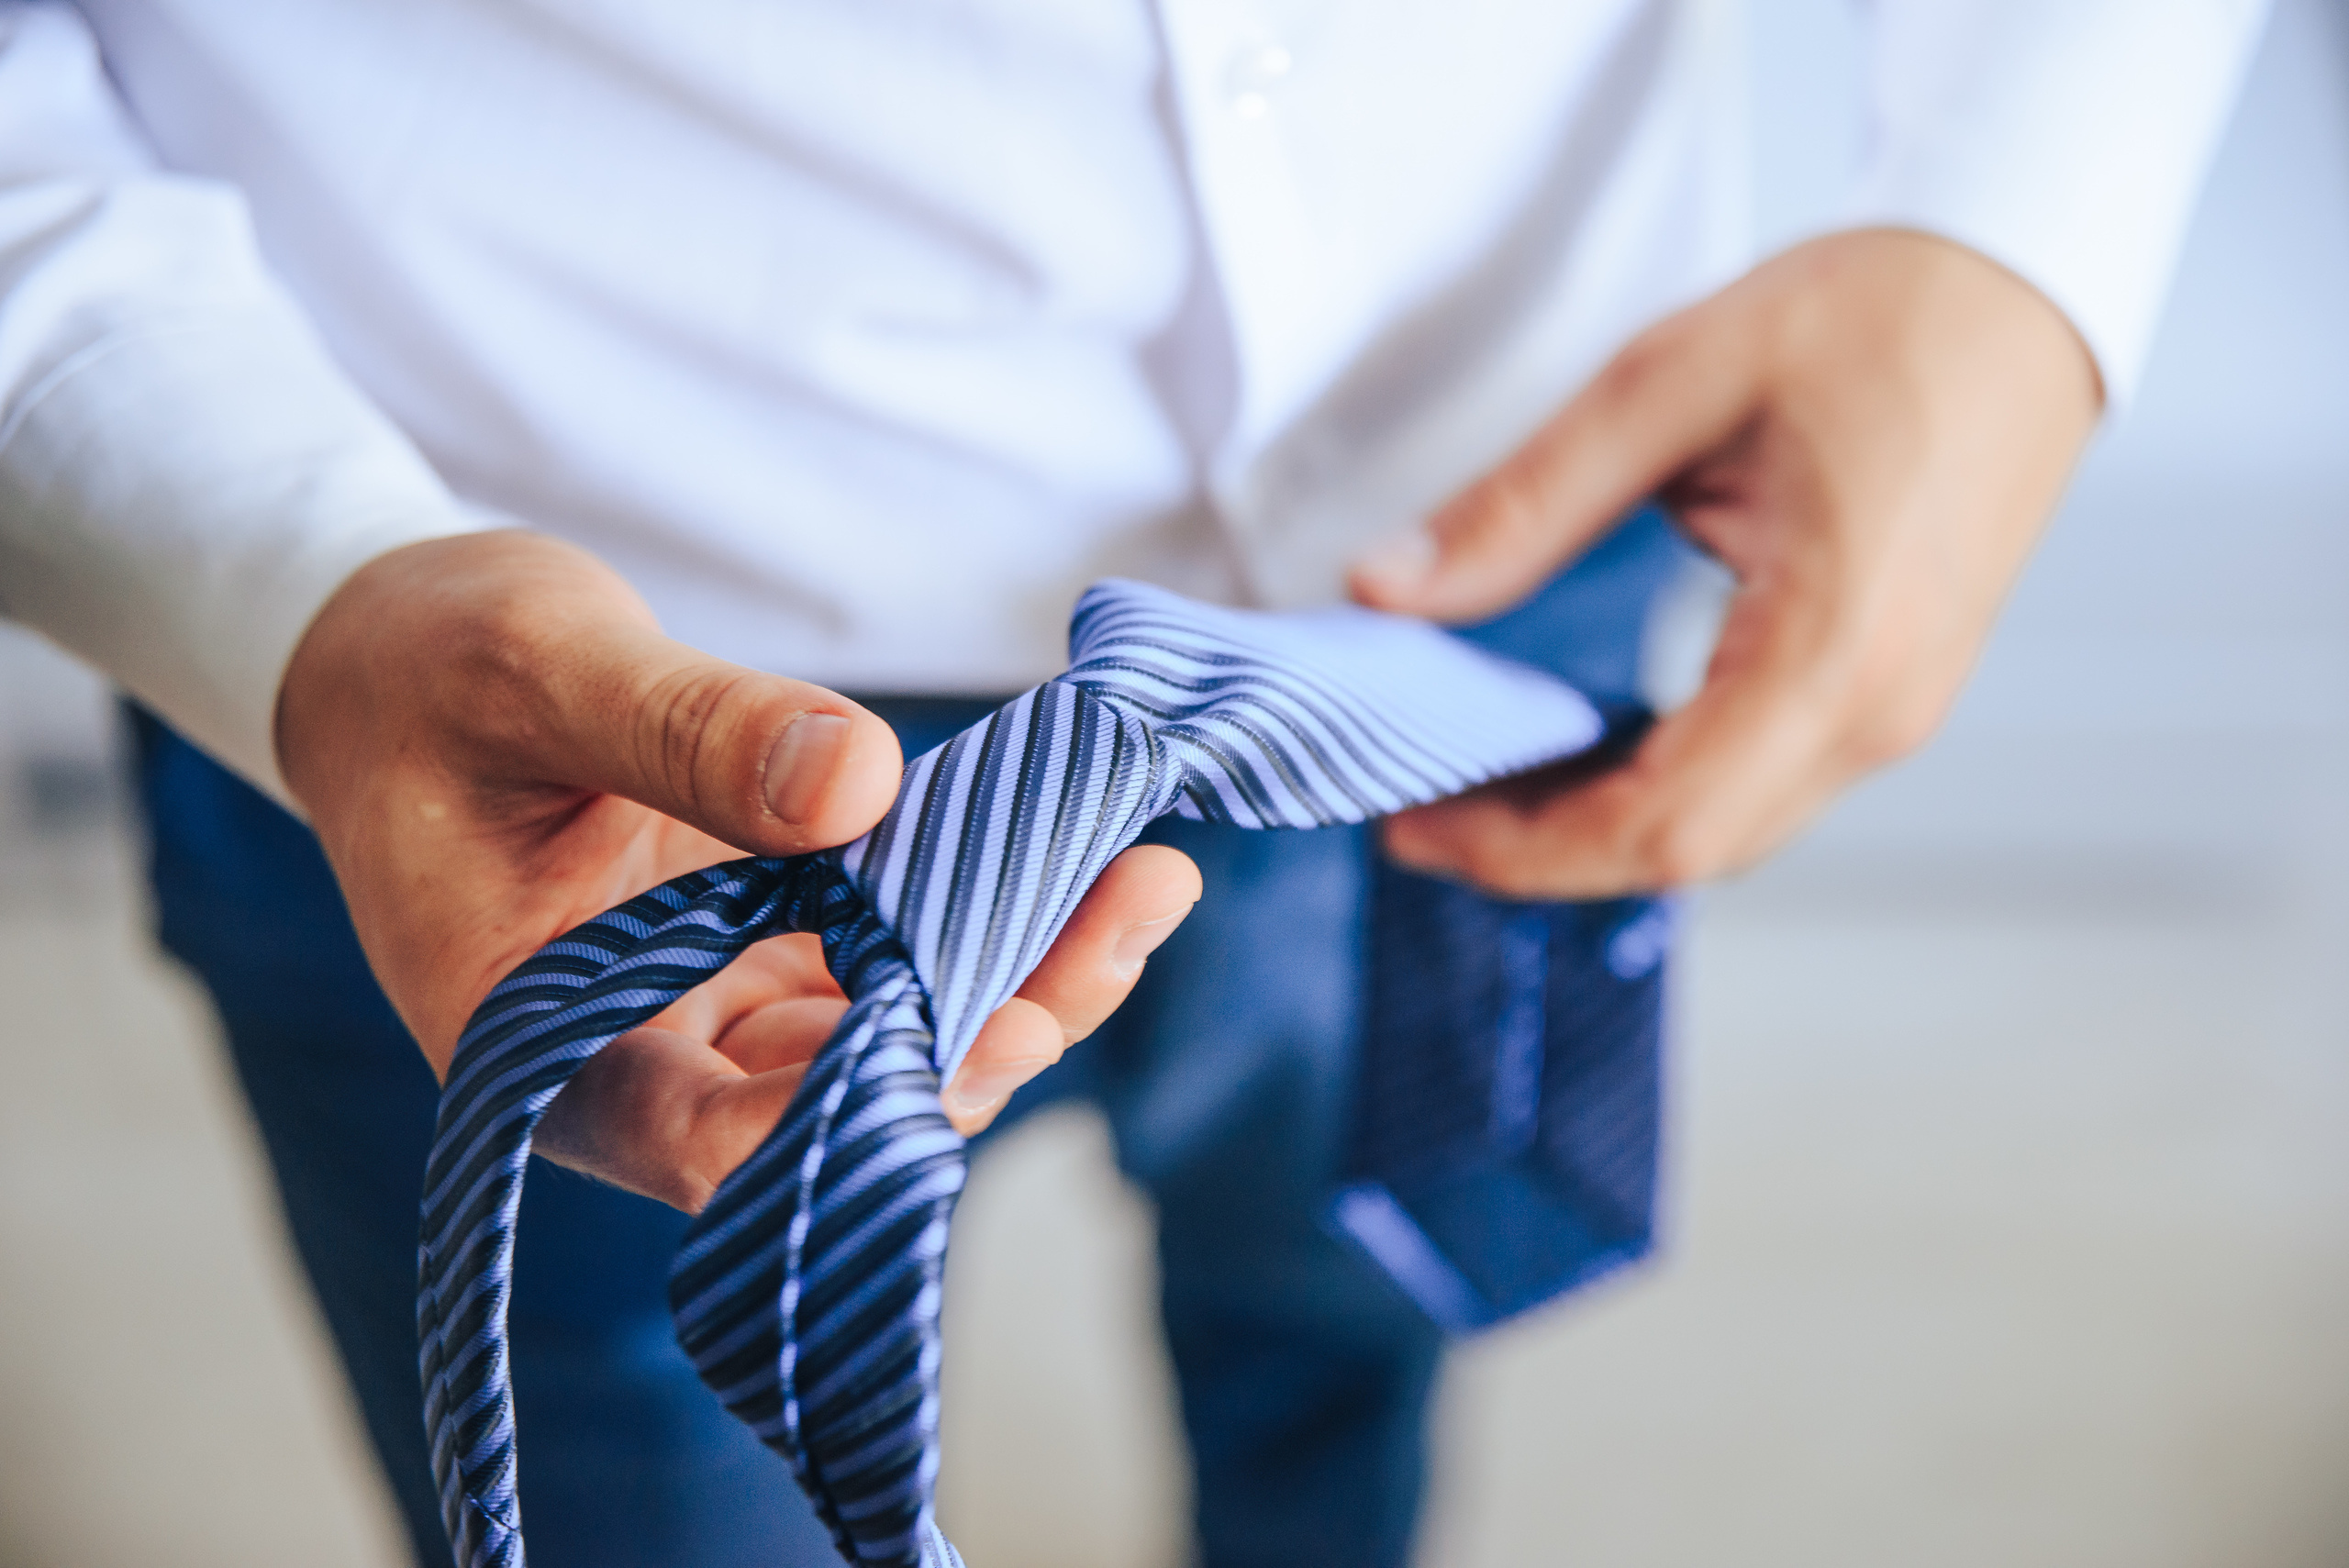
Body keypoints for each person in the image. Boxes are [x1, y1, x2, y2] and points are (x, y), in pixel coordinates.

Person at [0, 3, 2265, 1564]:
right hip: (521, 724)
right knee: (638, 1486)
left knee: (1351, 1319)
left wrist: (2015, 224)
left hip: (1488, 574)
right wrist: (280, 565)